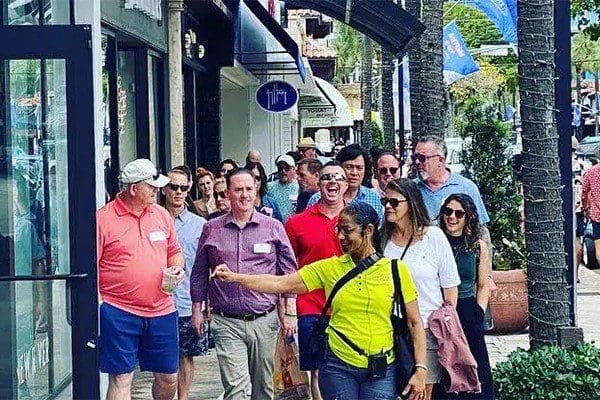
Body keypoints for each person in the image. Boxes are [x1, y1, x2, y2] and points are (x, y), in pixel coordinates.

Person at [212, 202, 428, 400]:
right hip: (338, 366)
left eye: (347, 230)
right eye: (338, 230)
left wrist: (421, 369)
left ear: (369, 231)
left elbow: (415, 323)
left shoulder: (395, 270)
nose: (340, 236)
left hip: (381, 367)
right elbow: (280, 283)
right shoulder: (329, 268)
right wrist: (236, 277)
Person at [190, 168, 298, 400]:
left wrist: (290, 312)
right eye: (238, 189)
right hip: (226, 320)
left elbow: (289, 272)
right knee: (236, 390)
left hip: (265, 320)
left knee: (265, 389)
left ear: (256, 189)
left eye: (249, 189)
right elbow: (199, 272)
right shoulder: (212, 229)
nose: (244, 195)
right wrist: (196, 310)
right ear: (228, 193)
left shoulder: (273, 227)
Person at [96, 158, 185, 400]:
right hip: (118, 310)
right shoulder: (103, 219)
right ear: (134, 188)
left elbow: (174, 251)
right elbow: (91, 266)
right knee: (121, 377)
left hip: (162, 309)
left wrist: (177, 269)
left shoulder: (161, 215)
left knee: (168, 377)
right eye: (152, 186)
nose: (158, 190)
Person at [380, 178, 460, 400]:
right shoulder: (383, 238)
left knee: (420, 393)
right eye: (384, 200)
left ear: (411, 203)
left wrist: (446, 325)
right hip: (390, 327)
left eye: (394, 202)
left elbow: (450, 288)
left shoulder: (433, 237)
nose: (388, 206)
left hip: (426, 327)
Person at [284, 161, 347, 399]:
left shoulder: (356, 220)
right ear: (319, 183)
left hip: (347, 305)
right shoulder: (297, 223)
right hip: (310, 306)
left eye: (338, 178)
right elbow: (288, 265)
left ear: (345, 184)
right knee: (317, 371)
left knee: (343, 368)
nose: (332, 182)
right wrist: (288, 306)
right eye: (327, 177)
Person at [438, 194, 494, 399]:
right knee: (446, 367)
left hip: (468, 310)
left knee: (474, 366)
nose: (452, 217)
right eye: (448, 211)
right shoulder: (435, 241)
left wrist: (479, 311)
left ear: (468, 217)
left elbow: (483, 283)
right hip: (442, 309)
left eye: (458, 213)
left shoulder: (477, 246)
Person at [162, 168, 208, 400]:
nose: (178, 192)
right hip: (157, 300)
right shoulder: (153, 219)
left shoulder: (200, 225)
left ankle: (184, 397)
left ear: (189, 188)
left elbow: (206, 265)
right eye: (173, 187)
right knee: (162, 357)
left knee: (186, 355)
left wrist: (205, 303)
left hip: (188, 300)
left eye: (183, 187)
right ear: (164, 189)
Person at [412, 136, 489, 225]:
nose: (417, 162)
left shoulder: (466, 187)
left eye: (422, 158)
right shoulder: (412, 188)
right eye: (414, 157)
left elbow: (481, 228)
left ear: (440, 160)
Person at [307, 144, 383, 223]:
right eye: (349, 167)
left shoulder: (373, 197)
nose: (354, 173)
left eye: (359, 168)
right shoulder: (317, 198)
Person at [267, 155, 300, 222]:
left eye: (287, 168)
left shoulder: (299, 186)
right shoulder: (269, 187)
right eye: (280, 168)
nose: (283, 171)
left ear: (293, 169)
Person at [582, 157, 600, 268]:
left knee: (598, 246)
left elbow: (584, 193)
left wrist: (585, 209)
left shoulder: (591, 171)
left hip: (597, 214)